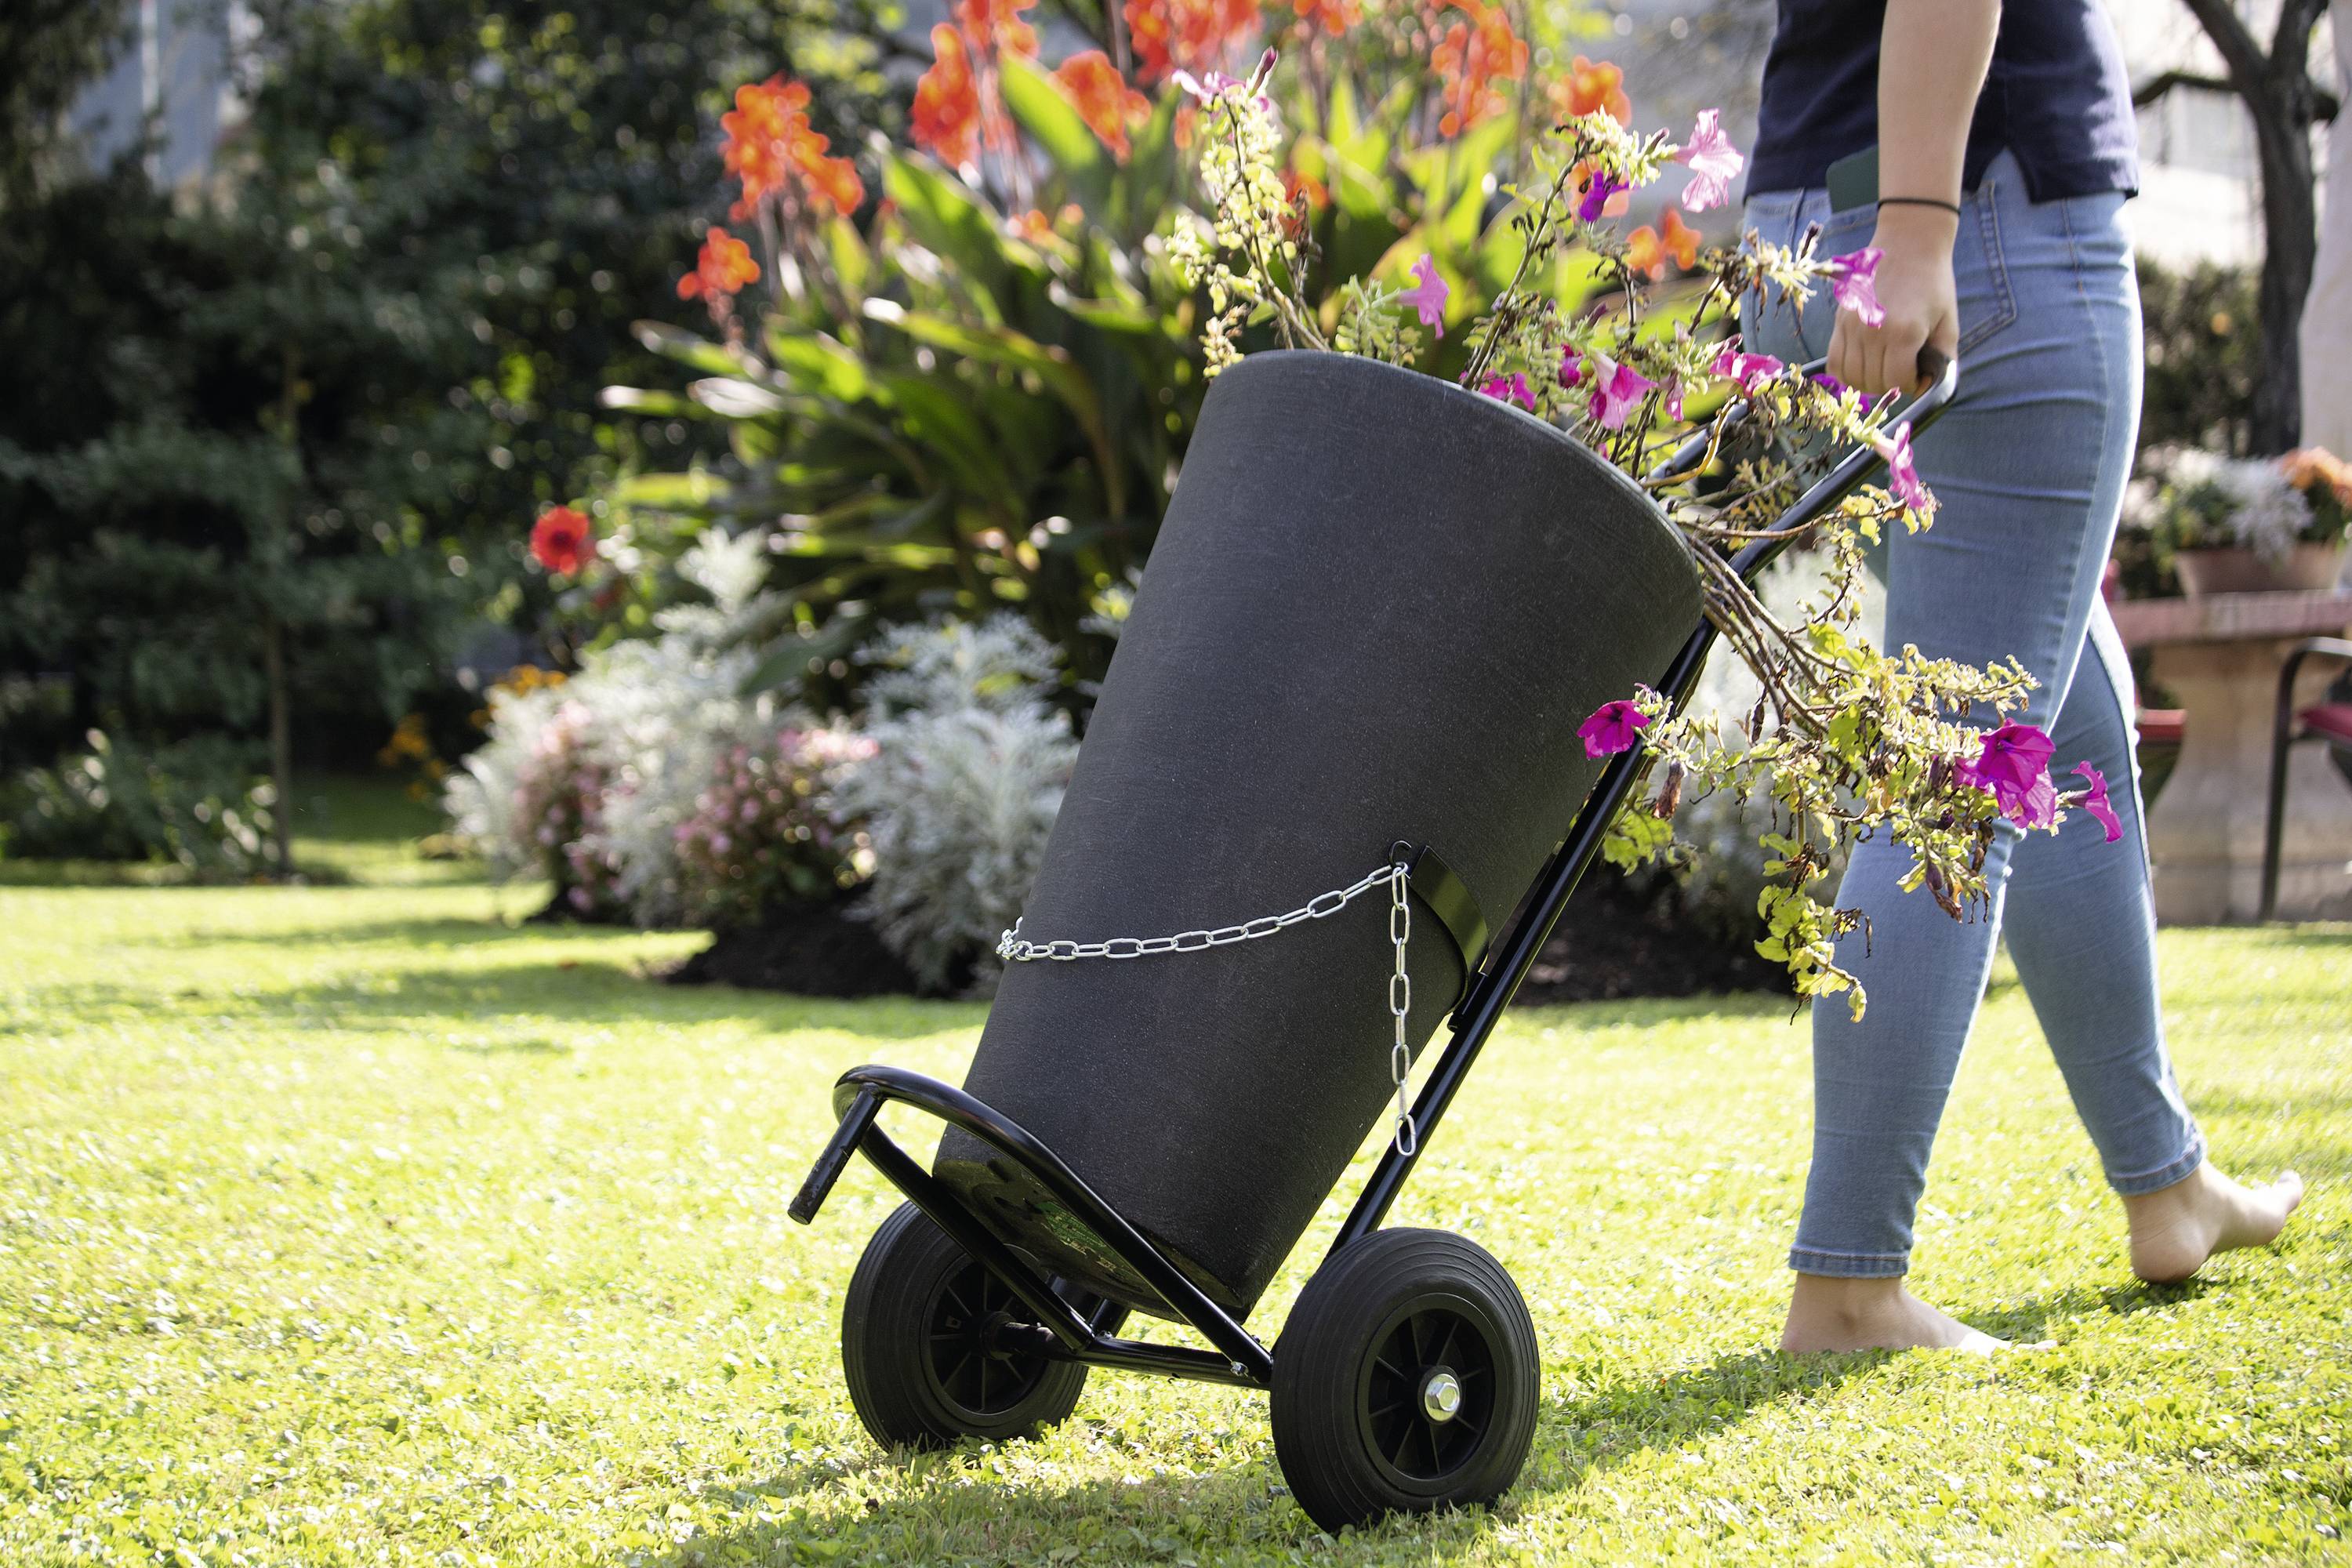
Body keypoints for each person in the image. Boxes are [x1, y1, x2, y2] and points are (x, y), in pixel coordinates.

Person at [1738, 0, 2304, 1353]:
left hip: (1804, 240)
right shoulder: (1941, 225)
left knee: (2063, 731)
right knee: (1955, 782)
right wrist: (1920, 230)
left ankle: (2167, 1184)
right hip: (1971, 230)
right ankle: (1852, 1288)